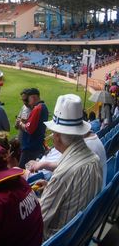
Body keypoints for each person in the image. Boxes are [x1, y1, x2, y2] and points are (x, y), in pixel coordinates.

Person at [35, 94, 103, 239]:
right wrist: (50, 188)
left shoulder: (63, 173)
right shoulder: (94, 159)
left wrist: (32, 200)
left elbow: (37, 221)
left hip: (58, 239)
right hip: (80, 236)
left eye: (53, 133)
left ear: (58, 135)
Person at [16, 88, 48, 167]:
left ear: (33, 97)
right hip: (36, 145)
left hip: (30, 147)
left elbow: (29, 129)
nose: (28, 103)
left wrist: (20, 123)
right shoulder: (42, 107)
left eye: (28, 99)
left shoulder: (37, 108)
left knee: (21, 170)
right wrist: (26, 121)